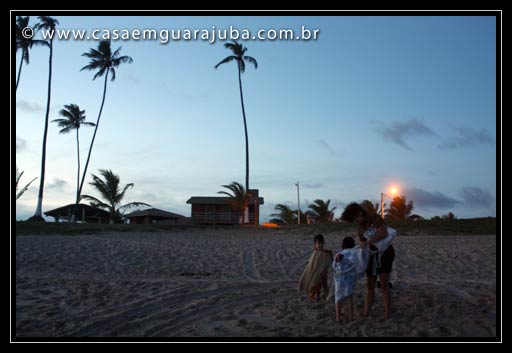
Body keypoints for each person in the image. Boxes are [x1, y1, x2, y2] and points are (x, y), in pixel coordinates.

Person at [341, 202, 396, 320]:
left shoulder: (374, 218)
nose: (356, 222)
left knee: (384, 285)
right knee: (370, 286)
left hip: (385, 254)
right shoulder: (360, 228)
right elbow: (363, 242)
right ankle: (367, 312)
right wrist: (361, 245)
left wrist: (369, 241)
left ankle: (387, 314)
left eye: (356, 219)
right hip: (371, 255)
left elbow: (384, 233)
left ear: (359, 213)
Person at [332, 236, 364, 322]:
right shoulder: (354, 253)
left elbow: (334, 266)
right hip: (350, 280)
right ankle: (351, 317)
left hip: (339, 279)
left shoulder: (338, 253)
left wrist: (339, 262)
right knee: (349, 297)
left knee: (338, 298)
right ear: (353, 245)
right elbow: (357, 265)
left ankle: (338, 318)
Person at [298, 234, 333, 300]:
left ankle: (327, 295)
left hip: (323, 271)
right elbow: (311, 265)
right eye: (319, 243)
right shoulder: (315, 253)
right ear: (315, 244)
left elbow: (330, 260)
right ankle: (316, 295)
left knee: (325, 283)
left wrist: (330, 254)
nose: (321, 245)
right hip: (316, 272)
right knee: (316, 283)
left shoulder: (325, 252)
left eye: (322, 243)